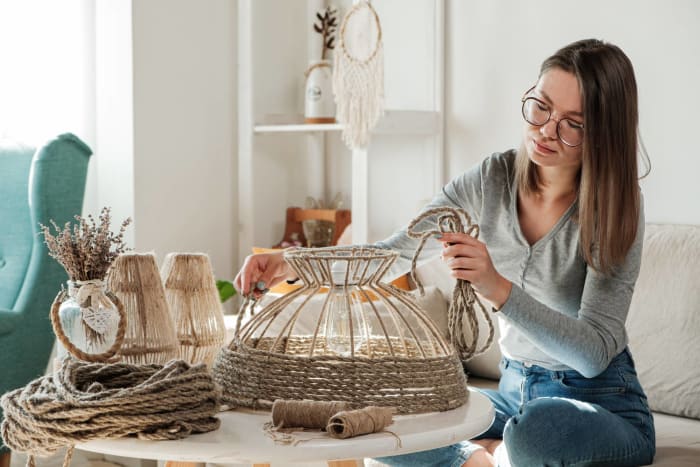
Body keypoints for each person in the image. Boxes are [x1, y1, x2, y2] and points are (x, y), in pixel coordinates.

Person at [234, 38, 655, 467]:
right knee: (381, 417)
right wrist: (293, 264)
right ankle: (481, 458)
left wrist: (497, 288)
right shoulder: (492, 178)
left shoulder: (617, 207)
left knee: (539, 431)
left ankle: (505, 452)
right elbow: (395, 252)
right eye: (541, 106)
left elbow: (593, 355)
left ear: (602, 133)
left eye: (573, 124)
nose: (546, 129)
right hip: (513, 396)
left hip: (598, 405)